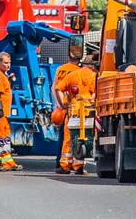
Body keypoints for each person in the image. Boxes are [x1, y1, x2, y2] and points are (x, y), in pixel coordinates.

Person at [57, 54, 98, 175]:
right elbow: (98, 93)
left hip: (73, 110)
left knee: (69, 137)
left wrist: (62, 104)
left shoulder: (72, 75)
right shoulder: (95, 76)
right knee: (84, 138)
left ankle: (65, 166)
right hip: (89, 111)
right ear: (92, 66)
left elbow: (58, 89)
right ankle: (79, 166)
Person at [52, 42, 83, 173]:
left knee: (62, 137)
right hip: (73, 107)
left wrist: (57, 103)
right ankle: (73, 164)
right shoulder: (78, 71)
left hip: (61, 105)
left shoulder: (61, 69)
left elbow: (54, 87)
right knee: (73, 136)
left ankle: (59, 162)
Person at [0, 52, 20, 172]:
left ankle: (7, 162)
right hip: (0, 112)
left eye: (9, 63)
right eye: (5, 63)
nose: (8, 65)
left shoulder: (3, 75)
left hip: (4, 113)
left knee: (5, 137)